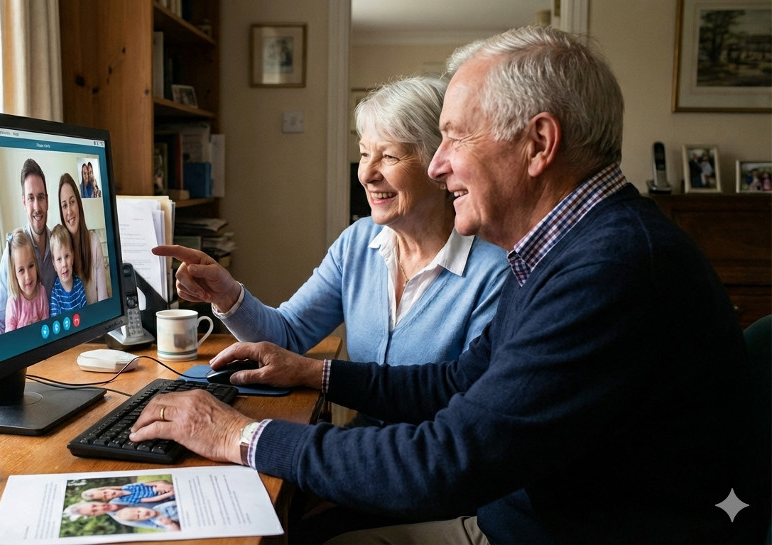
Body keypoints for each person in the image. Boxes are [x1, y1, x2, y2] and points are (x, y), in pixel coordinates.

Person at [130, 26, 769, 544]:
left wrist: (236, 435)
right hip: (513, 513)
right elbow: (459, 382)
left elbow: (448, 458)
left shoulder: (611, 269)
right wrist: (316, 374)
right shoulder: (564, 247)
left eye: (454, 136)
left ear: (539, 143)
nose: (439, 165)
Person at [153, 75, 508, 391]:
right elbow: (288, 335)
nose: (366, 173)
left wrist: (313, 373)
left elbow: (468, 402)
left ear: (440, 166)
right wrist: (226, 294)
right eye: (364, 153)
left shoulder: (493, 272)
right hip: (362, 440)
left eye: (389, 157)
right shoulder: (357, 243)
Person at [0, 158, 56, 336]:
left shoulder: (57, 247)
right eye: (31, 198)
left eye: (41, 197)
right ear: (24, 202)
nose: (37, 207)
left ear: (47, 201)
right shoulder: (13, 250)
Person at [59, 173, 108, 303]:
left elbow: (103, 298)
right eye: (64, 205)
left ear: (79, 204)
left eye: (72, 202)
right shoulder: (60, 250)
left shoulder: (93, 242)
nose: (69, 211)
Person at [4, 228, 49, 332]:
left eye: (31, 266)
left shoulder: (41, 292)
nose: (28, 276)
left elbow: (46, 326)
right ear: (14, 274)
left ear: (36, 264)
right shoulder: (13, 302)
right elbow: (10, 338)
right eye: (21, 270)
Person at [48, 224, 87, 316]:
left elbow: (86, 315)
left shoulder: (79, 285)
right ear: (54, 264)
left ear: (73, 257)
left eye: (67, 256)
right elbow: (56, 324)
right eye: (59, 259)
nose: (64, 264)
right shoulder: (55, 294)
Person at [81, 480, 175, 504]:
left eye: (105, 492)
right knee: (165, 490)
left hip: (159, 487)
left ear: (107, 488)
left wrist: (160, 484)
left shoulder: (127, 487)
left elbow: (148, 484)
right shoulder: (127, 499)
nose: (109, 494)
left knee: (161, 486)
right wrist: (169, 494)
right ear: (107, 500)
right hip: (162, 496)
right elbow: (151, 499)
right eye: (105, 496)